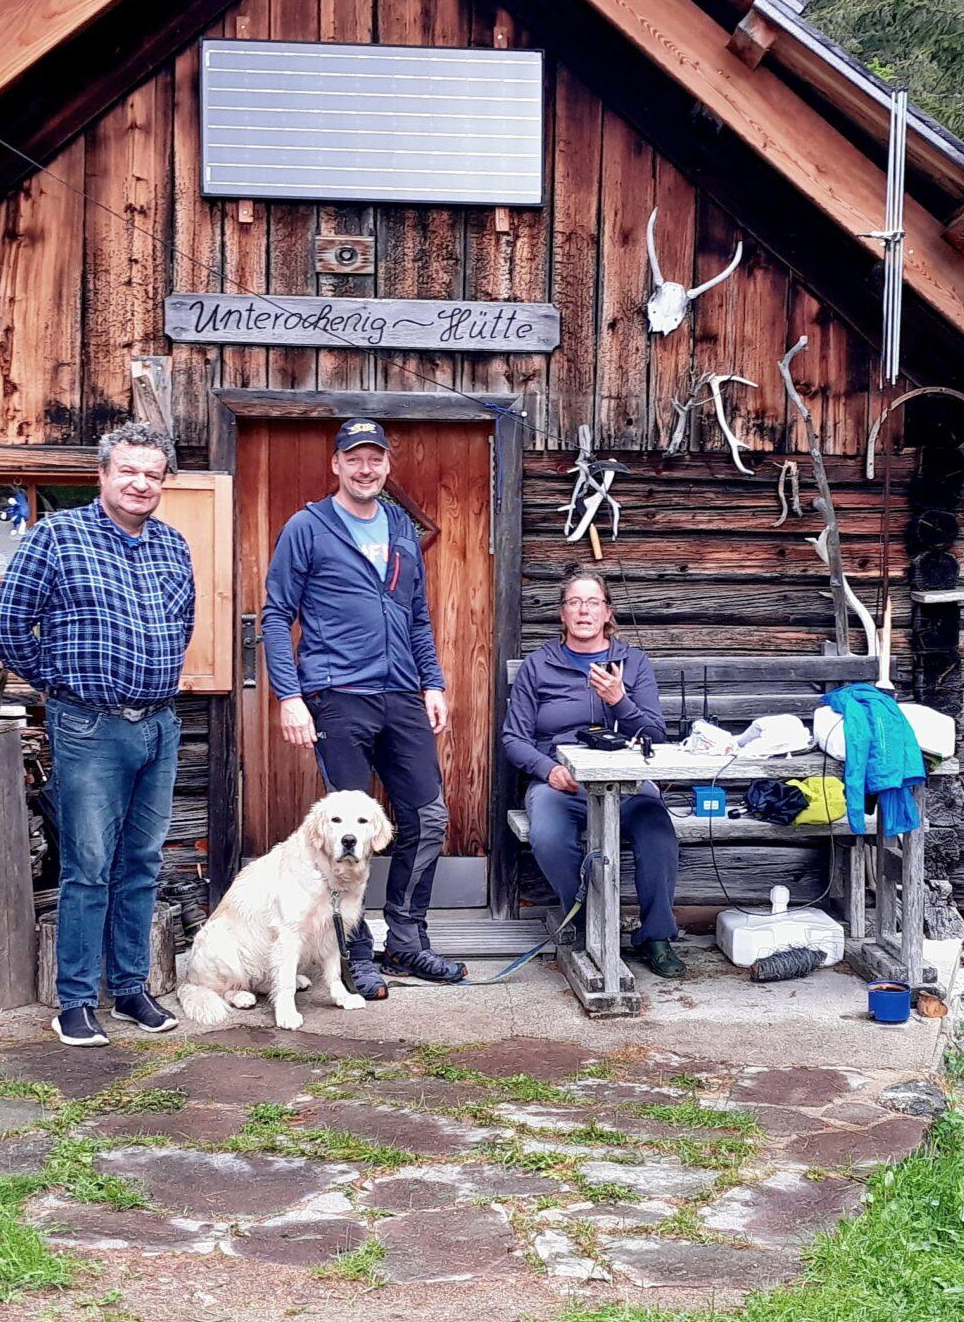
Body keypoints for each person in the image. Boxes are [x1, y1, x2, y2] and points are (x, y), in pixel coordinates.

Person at [0, 421, 193, 1047]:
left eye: (153, 474)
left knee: (142, 862)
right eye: (128, 470)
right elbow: (10, 625)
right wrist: (63, 684)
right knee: (89, 865)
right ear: (102, 474)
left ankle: (130, 988)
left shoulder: (172, 544)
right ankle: (75, 1000)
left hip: (158, 724)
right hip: (90, 727)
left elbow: (181, 623)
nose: (140, 483)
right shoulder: (56, 537)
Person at [261, 418, 468, 993]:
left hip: (402, 693)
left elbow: (416, 615)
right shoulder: (308, 527)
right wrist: (290, 696)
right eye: (354, 457)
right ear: (337, 465)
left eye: (375, 458)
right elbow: (277, 616)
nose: (365, 467)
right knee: (342, 833)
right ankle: (355, 956)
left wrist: (432, 682)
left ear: (386, 465)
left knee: (428, 818)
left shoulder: (401, 527)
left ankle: (405, 941)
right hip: (336, 696)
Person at [500, 567, 684, 977]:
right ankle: (588, 924)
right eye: (574, 602)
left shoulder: (631, 663)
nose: (584, 611)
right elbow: (514, 738)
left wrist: (619, 700)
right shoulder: (539, 666)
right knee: (547, 835)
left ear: (607, 614)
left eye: (593, 603)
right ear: (562, 614)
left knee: (657, 830)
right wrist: (548, 771)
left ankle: (656, 935)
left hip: (627, 785)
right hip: (561, 787)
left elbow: (655, 734)